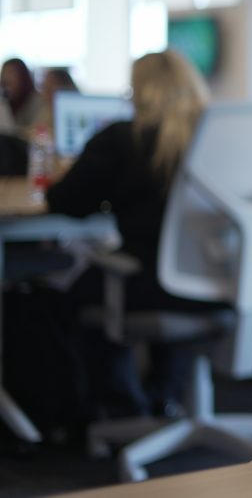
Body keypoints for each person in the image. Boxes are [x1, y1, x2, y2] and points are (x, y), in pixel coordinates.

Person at [46, 50, 210, 418]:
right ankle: (164, 397)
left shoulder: (123, 138)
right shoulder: (217, 140)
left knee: (65, 299)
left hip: (148, 283)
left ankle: (119, 408)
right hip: (222, 283)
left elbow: (65, 200)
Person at [32, 66, 79, 134]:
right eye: (44, 88)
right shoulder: (46, 109)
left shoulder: (72, 111)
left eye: (49, 88)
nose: (44, 94)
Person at [1, 57, 44, 129]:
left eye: (11, 72)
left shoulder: (37, 101)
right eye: (4, 72)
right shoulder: (5, 101)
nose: (6, 77)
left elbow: (37, 130)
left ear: (23, 76)